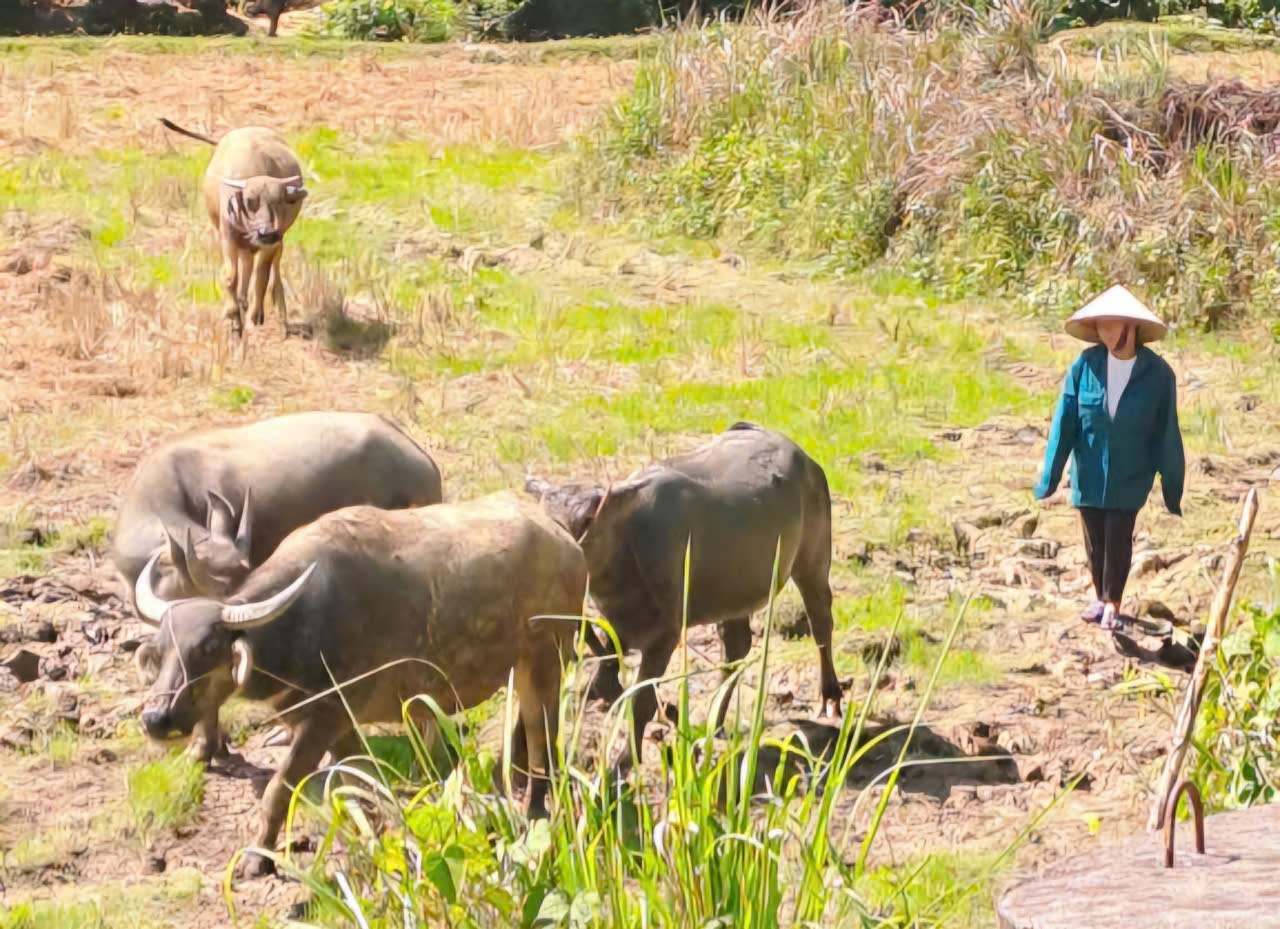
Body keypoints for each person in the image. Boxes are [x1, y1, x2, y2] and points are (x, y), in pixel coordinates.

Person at [1033, 284, 1186, 631]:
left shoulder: (1158, 376)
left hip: (1131, 474)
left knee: (1118, 534)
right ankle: (1099, 596)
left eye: (1110, 324)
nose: (1103, 330)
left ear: (1130, 327)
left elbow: (1167, 434)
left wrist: (1172, 488)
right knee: (1094, 538)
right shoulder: (1084, 366)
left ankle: (1113, 603)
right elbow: (1065, 422)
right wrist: (1050, 478)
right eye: (1099, 324)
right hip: (1088, 472)